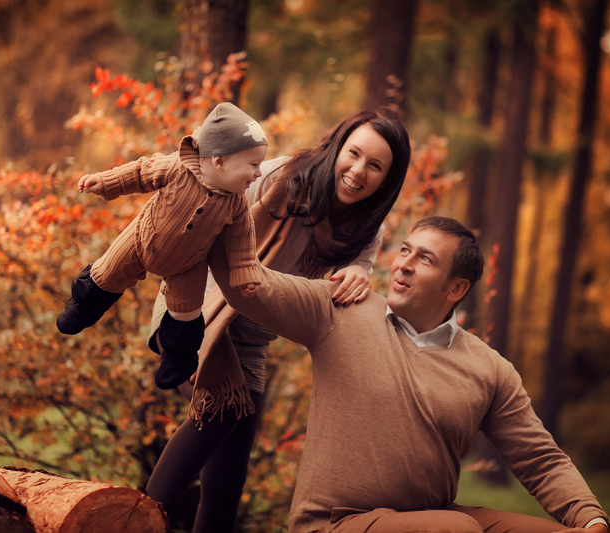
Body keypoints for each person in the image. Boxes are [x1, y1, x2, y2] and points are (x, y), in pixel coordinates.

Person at [206, 215, 610, 533]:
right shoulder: (341, 308)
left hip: (435, 519)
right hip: (336, 523)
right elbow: (252, 284)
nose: (403, 265)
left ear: (455, 290)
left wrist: (592, 520)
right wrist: (214, 217)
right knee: (456, 529)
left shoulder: (490, 368)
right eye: (405, 250)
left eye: (425, 259)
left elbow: (541, 460)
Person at [146, 110, 412, 532]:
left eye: (375, 166)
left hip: (252, 340)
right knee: (221, 412)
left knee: (228, 479)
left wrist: (362, 270)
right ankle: (132, 521)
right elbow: (199, 204)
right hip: (196, 310)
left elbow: (358, 270)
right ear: (337, 147)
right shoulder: (276, 180)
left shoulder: (364, 230)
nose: (358, 171)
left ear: (387, 179)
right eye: (354, 153)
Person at [56, 102, 268, 390]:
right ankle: (83, 306)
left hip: (188, 264)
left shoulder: (236, 203)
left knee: (186, 315)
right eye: (253, 165)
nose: (258, 173)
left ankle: (178, 359)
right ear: (219, 161)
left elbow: (242, 241)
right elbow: (139, 173)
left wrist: (244, 273)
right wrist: (104, 181)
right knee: (107, 274)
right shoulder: (176, 167)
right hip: (142, 239)